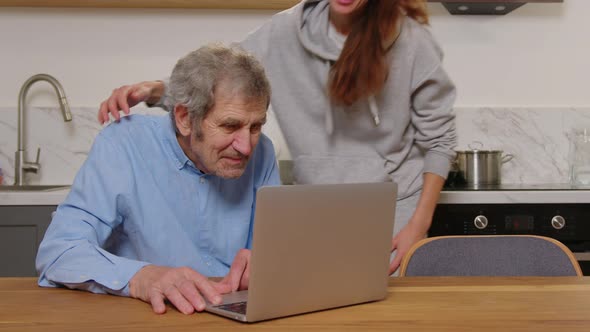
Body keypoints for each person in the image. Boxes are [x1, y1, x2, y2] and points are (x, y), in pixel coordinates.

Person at [97, 0, 457, 275]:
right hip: (314, 212)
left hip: (391, 216)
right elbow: (224, 78)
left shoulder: (411, 41)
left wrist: (417, 226)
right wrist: (157, 90)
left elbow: (439, 141)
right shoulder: (285, 31)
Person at [36, 43, 280, 315]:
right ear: (185, 118)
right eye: (230, 126)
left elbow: (279, 251)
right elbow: (58, 253)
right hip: (148, 317)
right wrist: (140, 277)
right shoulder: (123, 146)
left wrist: (270, 263)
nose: (246, 146)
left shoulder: (263, 152)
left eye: (256, 126)